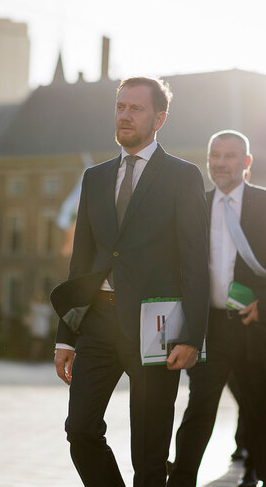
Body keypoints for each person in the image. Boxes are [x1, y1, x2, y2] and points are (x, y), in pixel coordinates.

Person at [51, 77, 210, 487]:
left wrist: (192, 336)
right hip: (97, 326)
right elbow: (81, 264)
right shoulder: (95, 178)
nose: (124, 115)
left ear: (159, 118)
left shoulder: (183, 176)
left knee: (150, 455)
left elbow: (196, 262)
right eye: (120, 107)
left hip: (157, 328)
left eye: (134, 109)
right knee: (80, 431)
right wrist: (66, 337)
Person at [169, 130, 266, 487]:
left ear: (247, 162)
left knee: (264, 413)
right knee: (199, 410)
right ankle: (181, 481)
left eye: (230, 156)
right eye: (215, 155)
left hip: (254, 328)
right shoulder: (194, 205)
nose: (221, 163)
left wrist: (264, 303)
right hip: (209, 329)